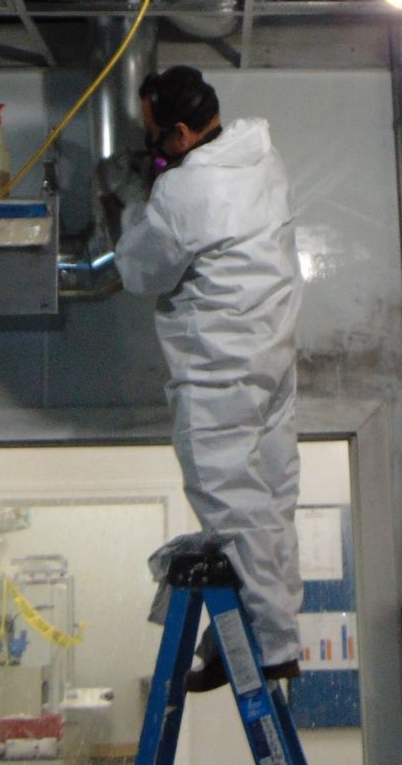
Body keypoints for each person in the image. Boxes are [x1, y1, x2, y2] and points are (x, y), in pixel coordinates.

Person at [114, 65, 305, 690]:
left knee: (231, 501)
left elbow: (141, 272)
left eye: (155, 136)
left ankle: (270, 647)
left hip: (220, 365)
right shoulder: (263, 157)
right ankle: (261, 629)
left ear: (180, 133)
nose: (154, 148)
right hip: (272, 356)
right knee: (270, 499)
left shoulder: (183, 191)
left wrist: (132, 204)